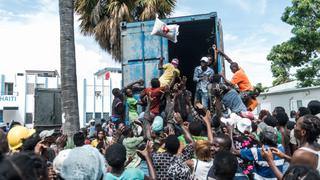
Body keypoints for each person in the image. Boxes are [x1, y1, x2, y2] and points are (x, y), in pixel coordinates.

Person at [263, 115, 320, 179]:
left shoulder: (300, 153)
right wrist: (283, 156)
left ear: (303, 132)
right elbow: (303, 163)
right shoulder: (316, 147)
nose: (294, 127)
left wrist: (270, 160)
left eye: (296, 125)